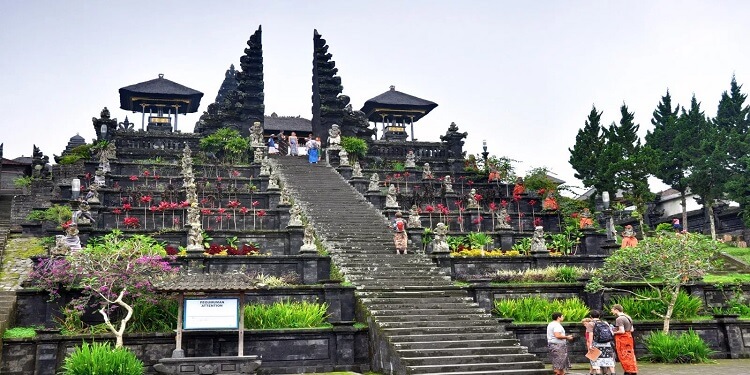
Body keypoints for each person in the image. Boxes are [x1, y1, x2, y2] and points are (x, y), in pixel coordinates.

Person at [585, 310, 615, 375]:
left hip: (596, 344)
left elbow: (591, 335)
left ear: (590, 316)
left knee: (595, 359)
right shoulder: (605, 323)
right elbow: (611, 332)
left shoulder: (591, 324)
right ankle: (613, 372)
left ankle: (598, 373)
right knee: (608, 358)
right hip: (607, 343)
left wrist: (590, 345)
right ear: (599, 316)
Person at [611, 304, 638, 375]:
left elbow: (622, 331)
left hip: (622, 339)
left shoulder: (619, 319)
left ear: (616, 310)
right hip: (629, 337)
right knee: (630, 354)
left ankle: (627, 371)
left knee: (623, 355)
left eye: (612, 310)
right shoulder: (628, 317)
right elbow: (631, 329)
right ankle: (633, 370)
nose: (612, 311)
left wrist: (613, 332)